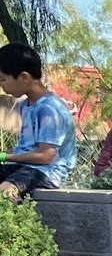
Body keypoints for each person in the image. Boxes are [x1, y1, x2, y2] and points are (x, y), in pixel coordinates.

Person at [0, 44, 78, 198]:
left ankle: (17, 221)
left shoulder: (50, 110)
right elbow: (25, 149)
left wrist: (4, 156)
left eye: (3, 79)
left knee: (5, 191)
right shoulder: (25, 105)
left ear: (24, 77)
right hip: (22, 167)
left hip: (47, 171)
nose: (2, 86)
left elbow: (46, 156)